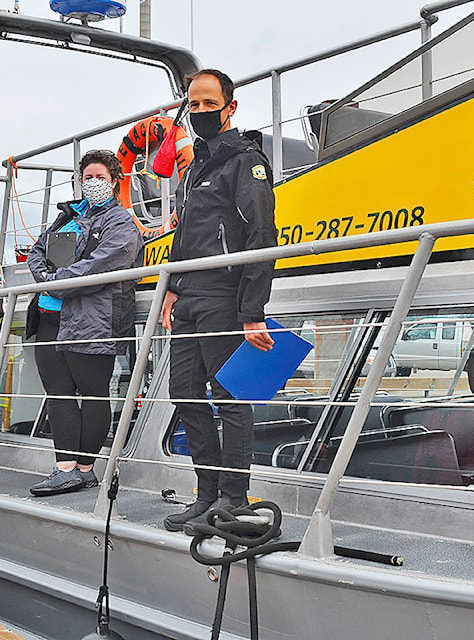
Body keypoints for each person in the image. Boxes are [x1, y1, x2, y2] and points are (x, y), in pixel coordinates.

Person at [161, 69, 278, 533]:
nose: (202, 112)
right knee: (184, 394)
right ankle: (205, 493)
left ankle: (234, 499)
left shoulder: (245, 162)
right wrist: (171, 285)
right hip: (189, 293)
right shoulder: (193, 169)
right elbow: (185, 233)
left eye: (211, 104)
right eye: (195, 104)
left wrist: (252, 313)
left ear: (231, 107)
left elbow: (261, 235)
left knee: (229, 397)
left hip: (223, 296)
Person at [26, 150, 143, 496]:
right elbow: (35, 252)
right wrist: (47, 277)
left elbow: (105, 263)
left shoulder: (120, 222)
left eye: (100, 178)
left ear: (114, 182)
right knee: (58, 394)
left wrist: (58, 279)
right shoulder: (66, 217)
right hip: (49, 318)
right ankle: (64, 468)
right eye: (87, 178)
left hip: (91, 321)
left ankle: (86, 468)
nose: (93, 184)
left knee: (93, 394)